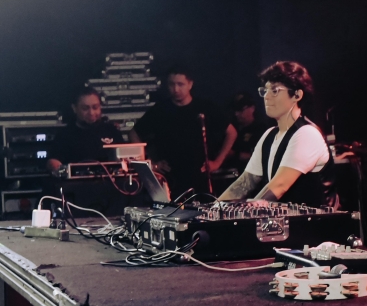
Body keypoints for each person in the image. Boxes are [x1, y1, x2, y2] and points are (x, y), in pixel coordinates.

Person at [219, 61, 336, 207]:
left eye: (275, 90)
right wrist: (215, 208)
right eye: (265, 90)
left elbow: (279, 185)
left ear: (297, 95)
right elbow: (245, 182)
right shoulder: (269, 135)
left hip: (316, 220)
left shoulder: (307, 134)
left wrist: (247, 210)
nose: (266, 97)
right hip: (284, 221)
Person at [129, 66, 237, 197]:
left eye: (180, 84)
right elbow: (134, 133)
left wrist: (218, 162)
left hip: (199, 176)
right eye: (171, 84)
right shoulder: (160, 110)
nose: (175, 89)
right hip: (170, 177)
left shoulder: (205, 107)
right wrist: (149, 162)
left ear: (190, 84)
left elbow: (231, 132)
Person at [47, 87, 124, 172]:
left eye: (95, 107)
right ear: (74, 108)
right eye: (85, 108)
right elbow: (53, 161)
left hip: (110, 179)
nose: (91, 113)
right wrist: (58, 169)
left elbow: (126, 156)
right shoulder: (65, 135)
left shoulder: (112, 131)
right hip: (78, 179)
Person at [224, 91, 268, 173]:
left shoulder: (261, 130)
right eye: (235, 110)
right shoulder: (231, 128)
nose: (236, 114)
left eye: (241, 110)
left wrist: (234, 154)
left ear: (252, 108)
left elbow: (262, 157)